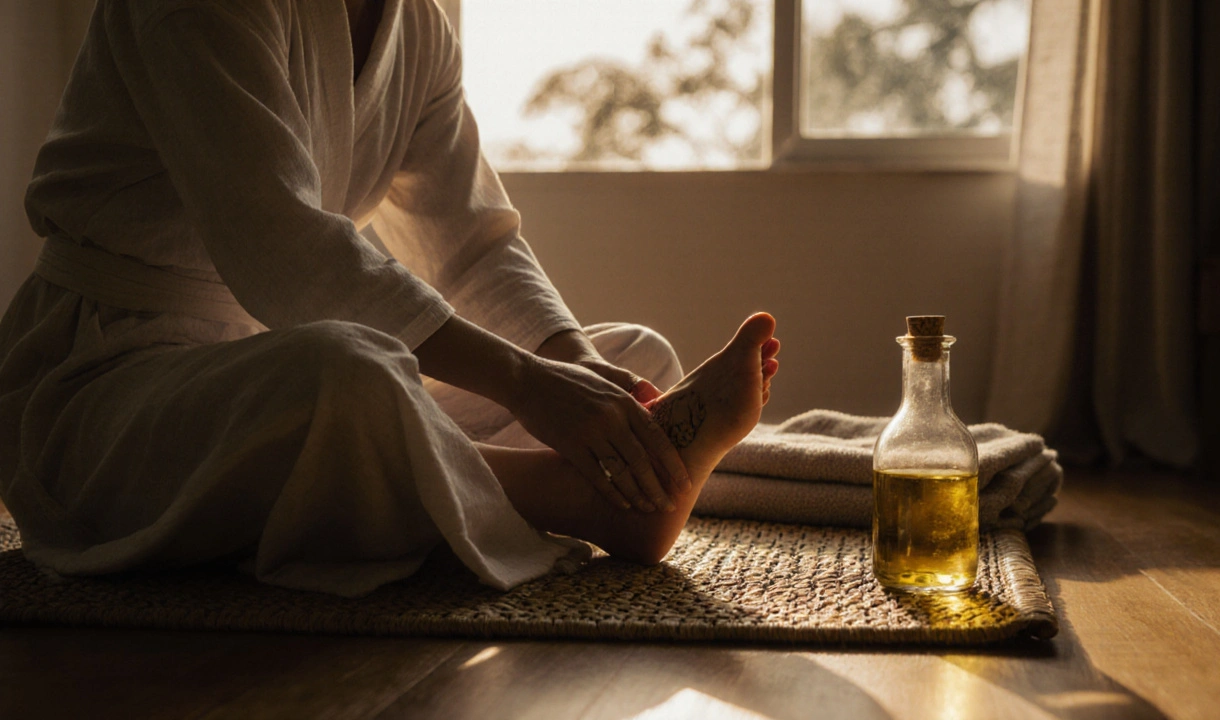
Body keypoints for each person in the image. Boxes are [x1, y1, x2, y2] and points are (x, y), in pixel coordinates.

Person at [0, 0, 780, 597]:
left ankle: (613, 465)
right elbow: (281, 249)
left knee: (628, 358)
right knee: (348, 376)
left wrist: (570, 367)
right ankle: (581, 496)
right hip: (104, 381)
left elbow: (470, 244)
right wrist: (522, 383)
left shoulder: (419, 25)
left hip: (261, 355)